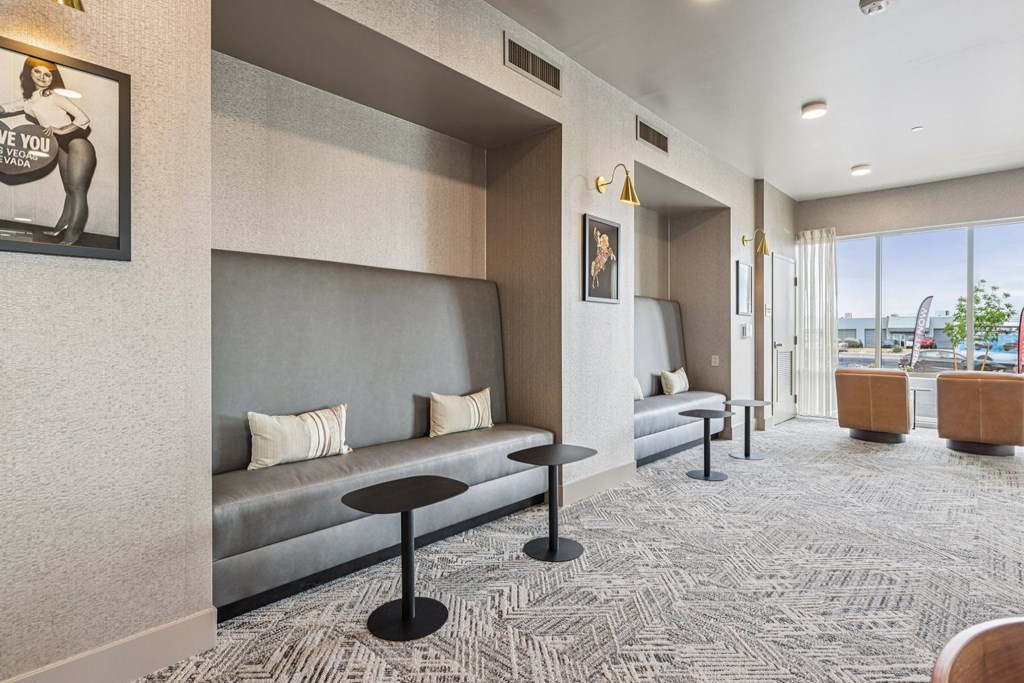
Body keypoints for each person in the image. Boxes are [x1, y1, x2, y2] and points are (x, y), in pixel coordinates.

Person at [0, 57, 96, 245]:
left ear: (53, 78)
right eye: (37, 71)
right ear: (29, 73)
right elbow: (8, 107)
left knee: (77, 189)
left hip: (78, 142)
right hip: (60, 146)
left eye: (47, 74)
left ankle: (73, 234)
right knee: (69, 189)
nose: (42, 77)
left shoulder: (53, 95)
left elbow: (83, 118)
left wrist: (60, 129)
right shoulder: (29, 100)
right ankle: (61, 226)